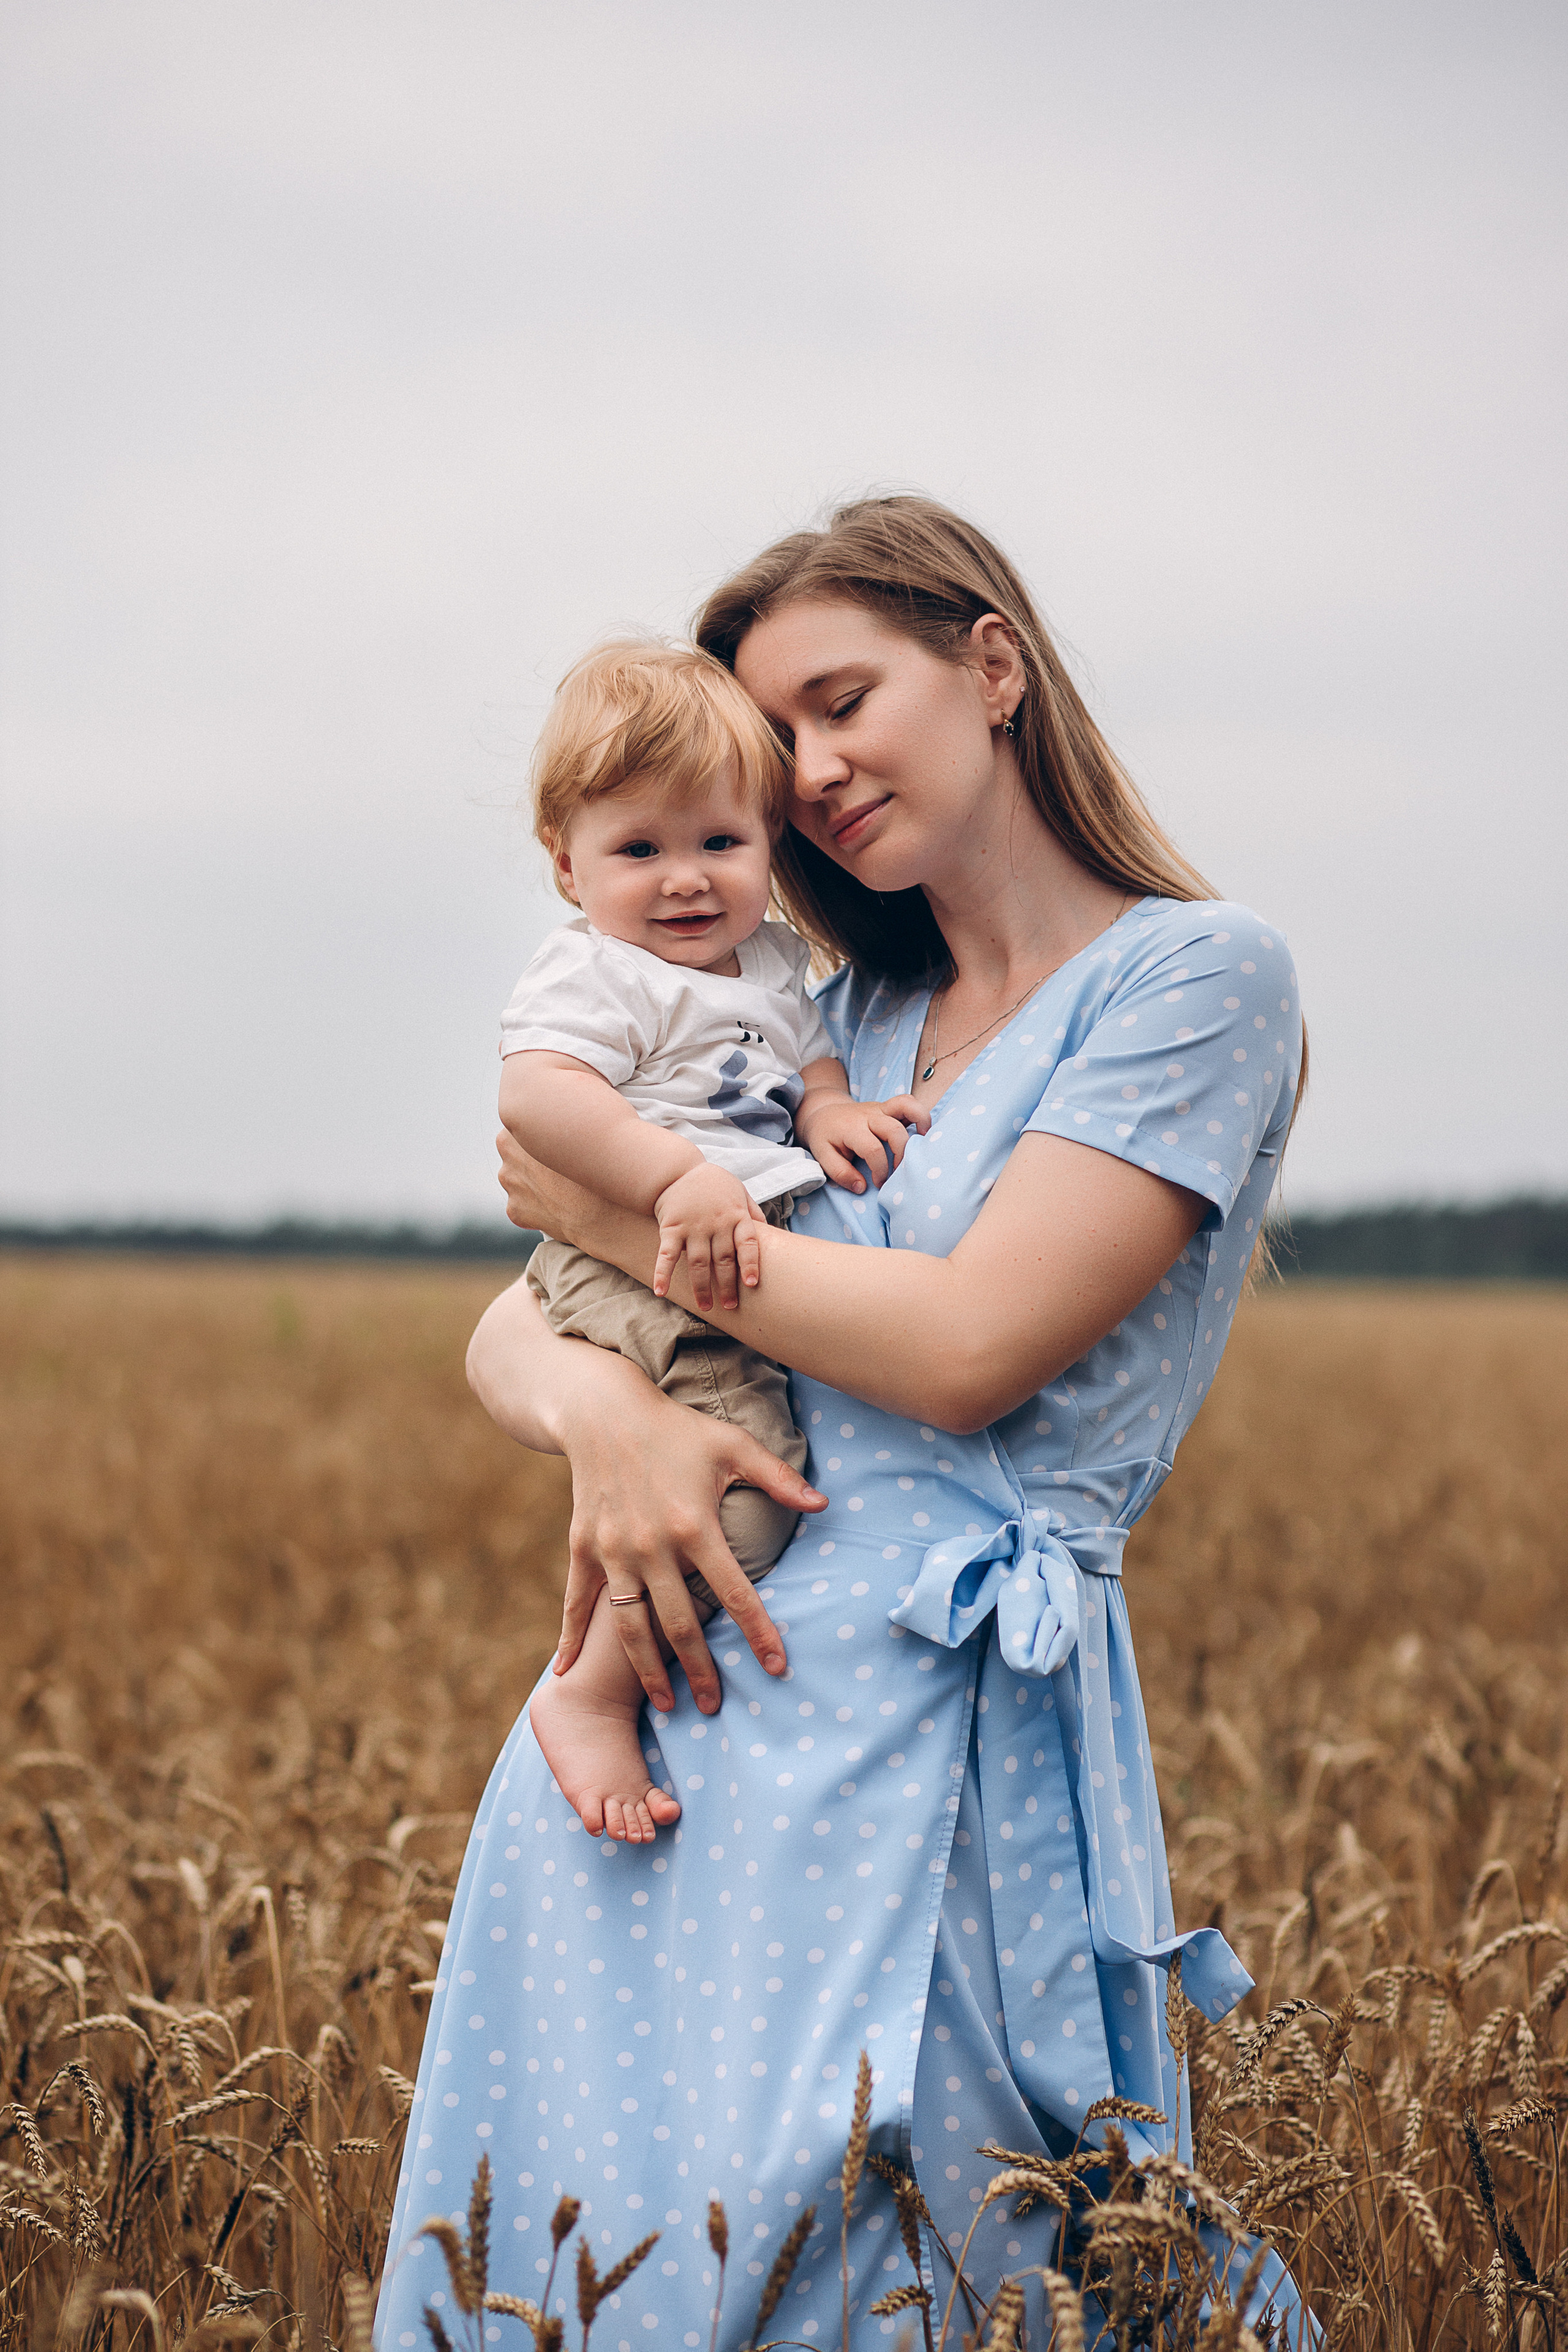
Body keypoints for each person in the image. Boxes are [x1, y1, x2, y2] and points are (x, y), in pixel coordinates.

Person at [375, 497, 1313, 2348]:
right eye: (770, 737)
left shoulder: (1194, 978)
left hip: (950, 1744)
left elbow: (967, 1349)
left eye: (840, 699)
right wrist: (605, 1418)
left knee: (930, 2274)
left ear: (992, 664)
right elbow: (512, 1333)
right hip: (661, 1736)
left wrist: (596, 1211)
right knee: (595, 2281)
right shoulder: (826, 1021)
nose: (803, 775)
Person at [502, 639, 927, 1844]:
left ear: (766, 848)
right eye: (638, 850)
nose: (683, 881)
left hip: (712, 1265)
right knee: (742, 1495)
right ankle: (584, 1696)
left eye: (718, 844)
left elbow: (802, 1060)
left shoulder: (768, 962)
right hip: (627, 1268)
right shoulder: (599, 974)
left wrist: (830, 1110)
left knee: (731, 1471)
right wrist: (669, 1178)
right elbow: (535, 1098)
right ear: (565, 864)